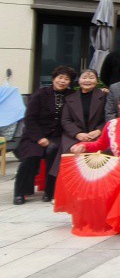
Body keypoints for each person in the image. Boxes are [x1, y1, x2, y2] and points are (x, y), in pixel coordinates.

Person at [14, 66, 75, 204]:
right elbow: (29, 118)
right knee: (31, 156)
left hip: (57, 136)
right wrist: (39, 138)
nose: (62, 81)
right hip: (34, 135)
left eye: (66, 79)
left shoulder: (72, 95)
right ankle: (21, 191)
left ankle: (50, 191)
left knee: (54, 152)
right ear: (53, 79)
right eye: (60, 77)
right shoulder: (41, 94)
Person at [52, 69, 107, 177]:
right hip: (74, 136)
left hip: (97, 135)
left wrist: (99, 130)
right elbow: (66, 120)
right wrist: (78, 134)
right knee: (70, 155)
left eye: (91, 77)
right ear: (79, 80)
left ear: (97, 81)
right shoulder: (70, 98)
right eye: (84, 77)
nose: (87, 80)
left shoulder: (105, 96)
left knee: (101, 159)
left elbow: (109, 117)